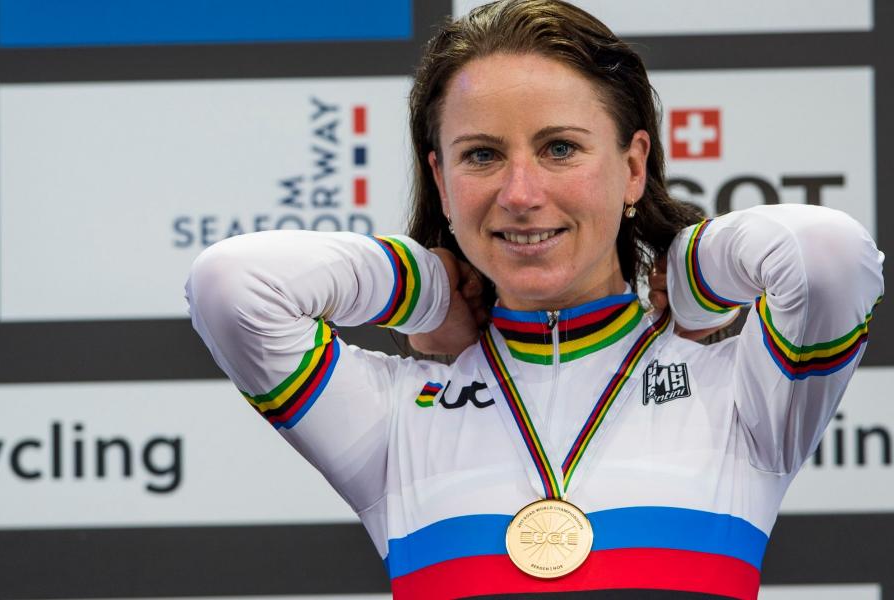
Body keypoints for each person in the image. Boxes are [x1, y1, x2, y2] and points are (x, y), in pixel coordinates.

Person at [185, 1, 884, 598]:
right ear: (441, 177)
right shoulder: (397, 415)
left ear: (633, 166)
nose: (520, 195)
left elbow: (824, 255)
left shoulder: (736, 393)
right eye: (481, 155)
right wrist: (424, 290)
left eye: (559, 148)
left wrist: (694, 276)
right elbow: (233, 285)